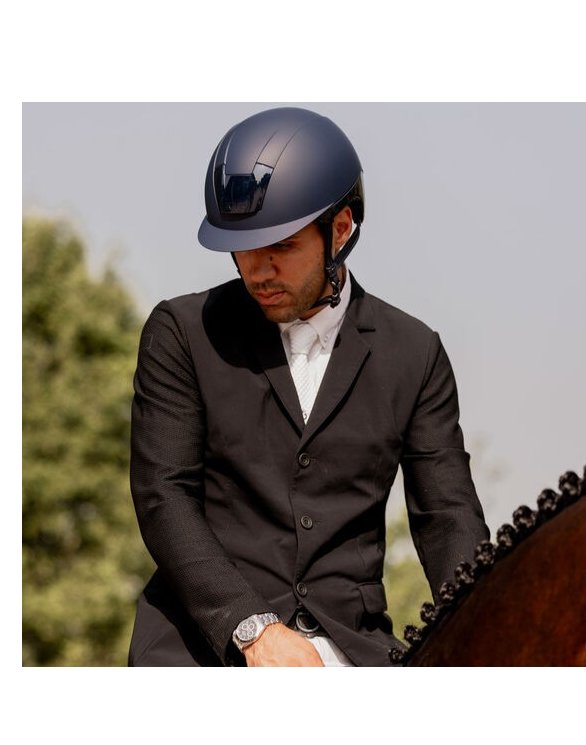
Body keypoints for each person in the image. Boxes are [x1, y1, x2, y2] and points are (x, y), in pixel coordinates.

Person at [128, 106, 489, 667]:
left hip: (355, 649)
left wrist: (487, 637)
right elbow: (164, 496)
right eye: (244, 247)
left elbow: (448, 517)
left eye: (281, 247)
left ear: (340, 230)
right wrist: (253, 630)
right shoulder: (182, 333)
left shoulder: (415, 353)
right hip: (203, 649)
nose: (257, 270)